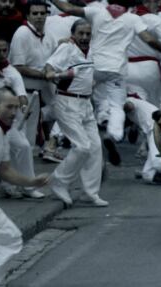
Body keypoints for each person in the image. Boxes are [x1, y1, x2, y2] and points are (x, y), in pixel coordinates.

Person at [50, 0, 161, 167]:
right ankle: (113, 134)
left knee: (79, 98)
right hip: (116, 69)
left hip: (94, 66)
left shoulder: (97, 12)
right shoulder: (132, 19)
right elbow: (148, 39)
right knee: (117, 105)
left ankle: (58, 136)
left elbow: (66, 7)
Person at [0, 87, 49, 287]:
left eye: (16, 107)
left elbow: (5, 170)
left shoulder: (3, 133)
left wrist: (31, 182)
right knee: (12, 240)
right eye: (9, 107)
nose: (13, 112)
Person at [43, 19, 108, 207]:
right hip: (66, 101)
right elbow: (49, 68)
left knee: (95, 148)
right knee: (81, 147)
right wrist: (55, 74)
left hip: (86, 103)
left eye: (88, 34)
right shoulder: (67, 48)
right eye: (81, 33)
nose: (85, 37)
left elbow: (86, 75)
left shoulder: (91, 51)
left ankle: (90, 192)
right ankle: (58, 181)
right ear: (73, 34)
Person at [0, 39, 45, 200]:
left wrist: (23, 107)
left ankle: (28, 186)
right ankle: (2, 186)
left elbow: (21, 94)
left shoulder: (13, 73)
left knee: (22, 146)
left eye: (4, 50)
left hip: (3, 121)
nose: (1, 54)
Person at [9, 0, 59, 159]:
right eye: (35, 13)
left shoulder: (49, 35)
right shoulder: (22, 33)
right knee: (24, 138)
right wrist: (43, 74)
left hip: (43, 90)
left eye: (42, 13)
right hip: (25, 92)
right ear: (28, 15)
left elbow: (54, 61)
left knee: (64, 109)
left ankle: (49, 144)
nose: (39, 17)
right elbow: (18, 66)